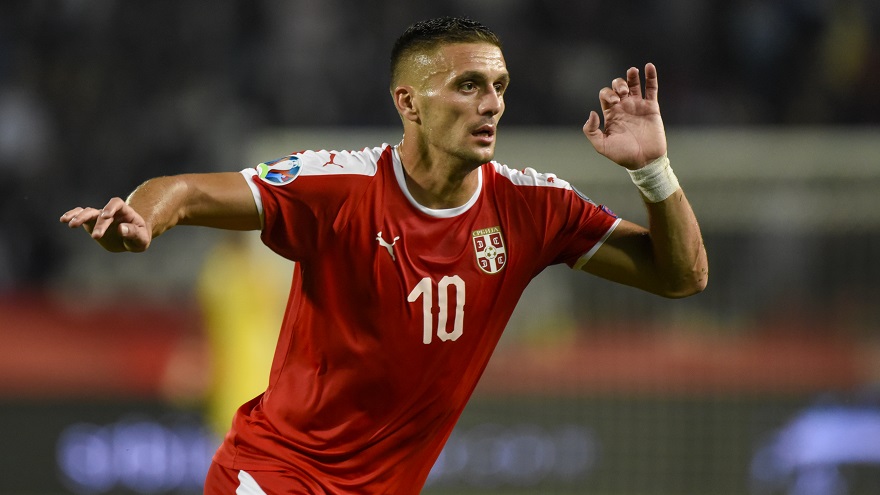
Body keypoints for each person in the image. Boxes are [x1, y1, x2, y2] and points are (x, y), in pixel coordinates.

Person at [60, 16, 707, 495]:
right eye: (468, 85)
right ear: (409, 102)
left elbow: (682, 277)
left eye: (499, 85)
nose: (492, 103)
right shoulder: (337, 186)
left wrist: (652, 170)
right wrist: (142, 219)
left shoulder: (534, 206)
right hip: (276, 473)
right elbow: (188, 190)